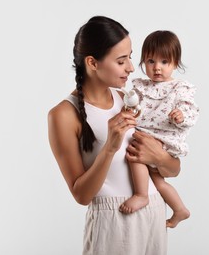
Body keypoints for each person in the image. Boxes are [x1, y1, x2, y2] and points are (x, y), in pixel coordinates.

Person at [48, 16, 181, 255]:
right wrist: (110, 146)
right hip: (115, 219)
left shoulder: (127, 100)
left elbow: (173, 170)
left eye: (130, 57)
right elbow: (82, 195)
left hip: (154, 211)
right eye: (121, 61)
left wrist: (159, 158)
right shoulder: (63, 115)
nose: (131, 67)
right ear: (92, 63)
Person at [119, 30, 199, 228]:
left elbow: (191, 110)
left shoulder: (179, 88)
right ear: (143, 62)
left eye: (164, 62)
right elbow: (132, 104)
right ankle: (180, 209)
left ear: (175, 63)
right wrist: (129, 107)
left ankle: (141, 194)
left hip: (163, 138)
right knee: (157, 180)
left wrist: (180, 115)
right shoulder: (141, 86)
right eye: (150, 61)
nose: (157, 68)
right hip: (147, 134)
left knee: (134, 154)